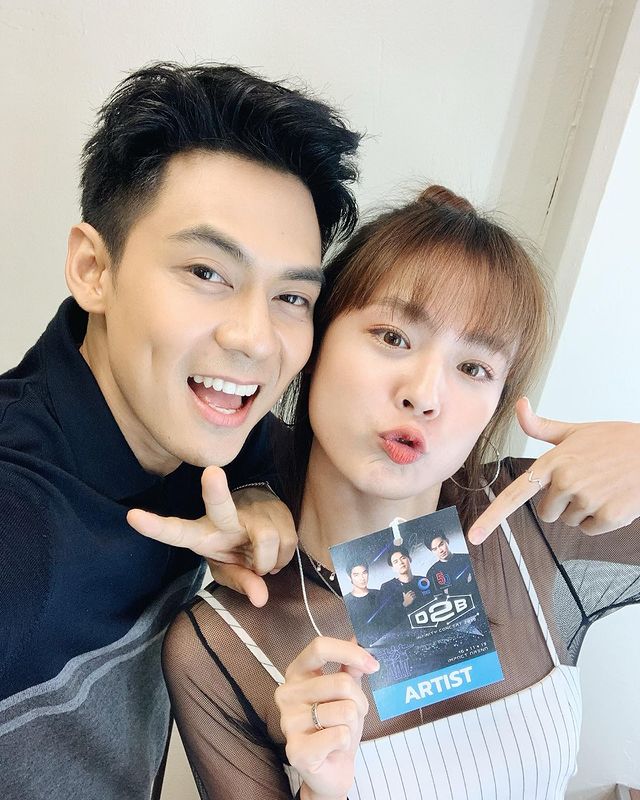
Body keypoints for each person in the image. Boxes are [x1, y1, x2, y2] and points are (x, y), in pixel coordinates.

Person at [160, 185, 640, 799]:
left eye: (474, 368)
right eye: (392, 337)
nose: (424, 394)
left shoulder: (536, 515)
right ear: (314, 343)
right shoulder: (222, 643)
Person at [0, 62, 360, 800]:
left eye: (292, 296)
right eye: (206, 272)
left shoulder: (211, 427)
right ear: (93, 268)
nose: (255, 339)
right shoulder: (17, 526)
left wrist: (257, 489)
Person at [343, 561, 380, 642]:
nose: (362, 578)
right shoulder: (346, 601)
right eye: (356, 575)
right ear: (350, 577)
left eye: (364, 573)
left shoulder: (379, 594)